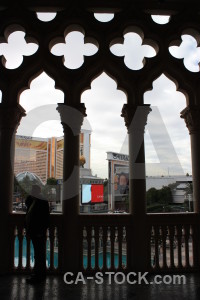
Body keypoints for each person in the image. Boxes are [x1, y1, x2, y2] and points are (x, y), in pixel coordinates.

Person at [25, 184, 50, 284]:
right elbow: (27, 203)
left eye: (33, 191)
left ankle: (39, 276)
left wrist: (41, 231)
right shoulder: (33, 200)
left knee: (39, 255)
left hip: (39, 232)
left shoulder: (42, 201)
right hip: (34, 232)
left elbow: (45, 218)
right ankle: (38, 274)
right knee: (37, 254)